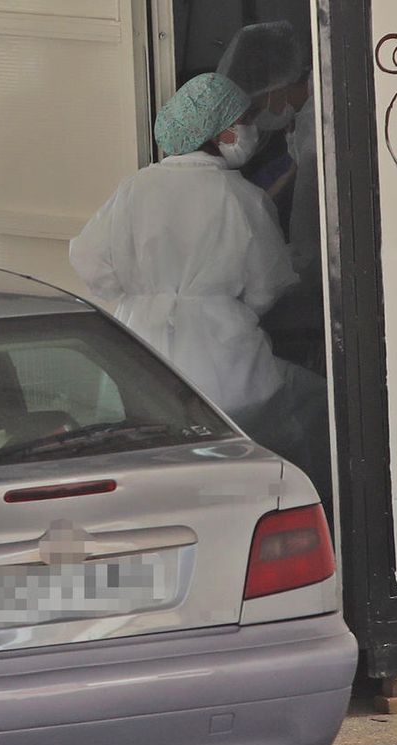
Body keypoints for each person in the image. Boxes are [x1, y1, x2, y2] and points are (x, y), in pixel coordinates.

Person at [69, 73, 328, 502]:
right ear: (220, 133)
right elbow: (266, 286)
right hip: (225, 363)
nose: (250, 130)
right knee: (256, 462)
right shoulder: (241, 197)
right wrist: (216, 306)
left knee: (152, 470)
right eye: (244, 121)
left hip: (138, 353)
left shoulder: (135, 188)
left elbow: (88, 260)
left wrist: (140, 295)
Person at [217, 21, 311, 232]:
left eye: (255, 108)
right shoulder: (301, 123)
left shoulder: (317, 126)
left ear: (277, 86)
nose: (257, 120)